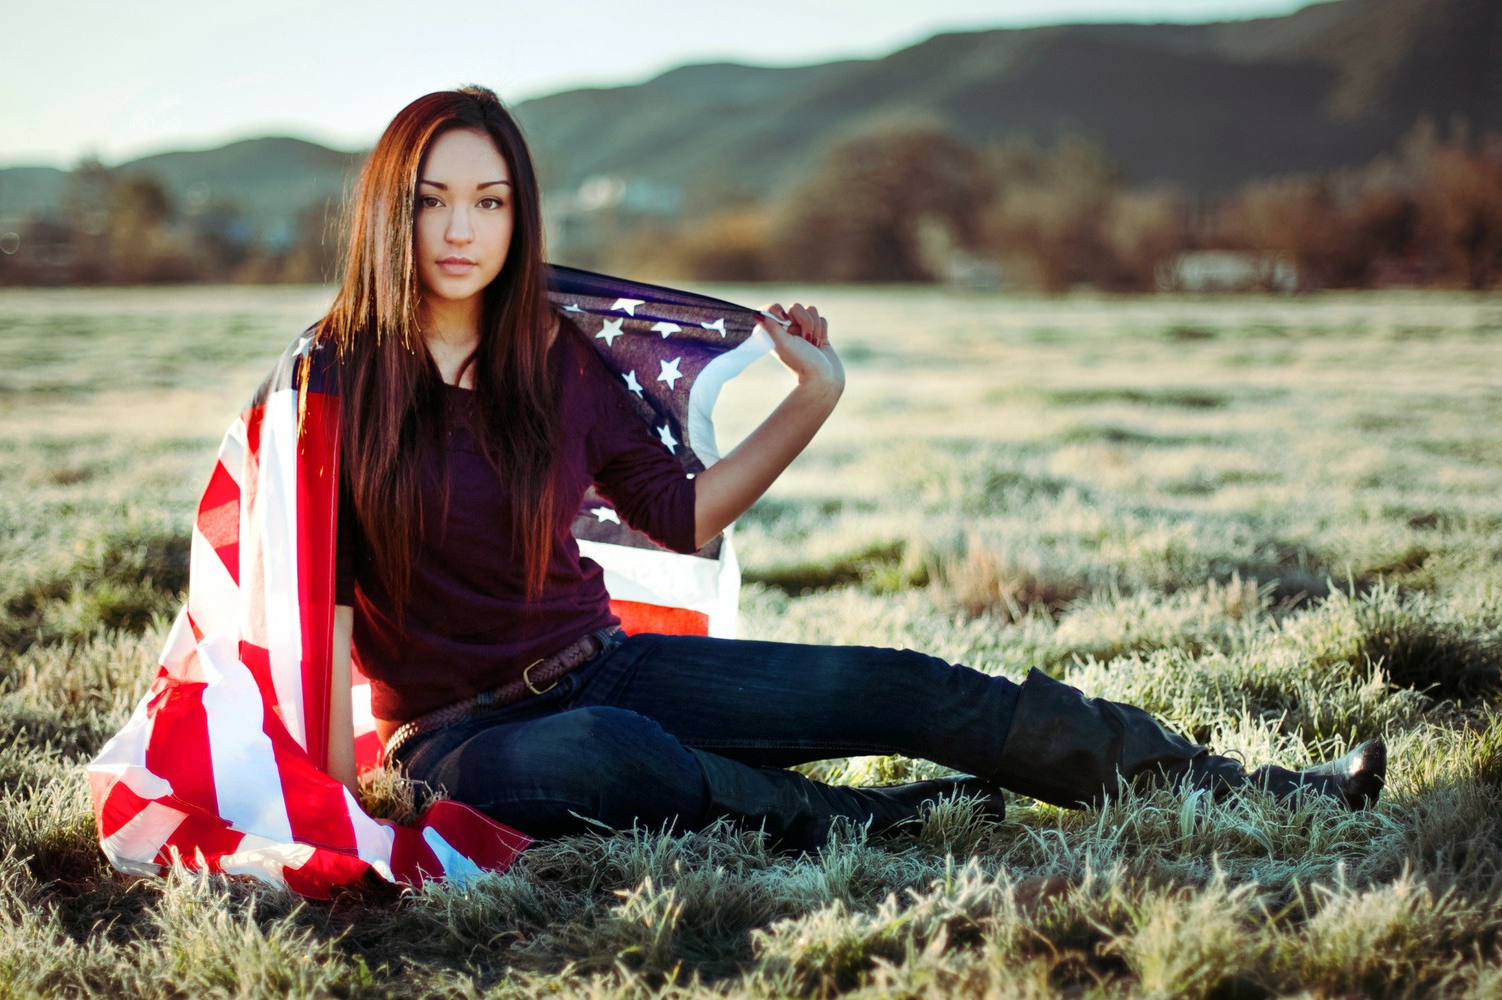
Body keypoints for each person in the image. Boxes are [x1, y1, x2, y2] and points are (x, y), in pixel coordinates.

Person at [314, 85, 1385, 852]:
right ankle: (877, 821)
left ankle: (1254, 790)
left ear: (519, 214)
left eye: (490, 200)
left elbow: (679, 516)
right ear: (388, 209)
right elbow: (317, 609)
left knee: (897, 681)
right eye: (432, 199)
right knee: (609, 755)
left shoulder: (561, 357)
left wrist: (813, 395)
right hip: (451, 739)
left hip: (605, 664)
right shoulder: (331, 382)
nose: (461, 228)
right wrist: (333, 806)